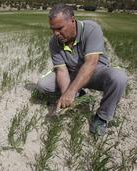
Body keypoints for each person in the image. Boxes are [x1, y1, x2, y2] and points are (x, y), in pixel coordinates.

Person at [37, 4, 127, 136]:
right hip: (71, 74)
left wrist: (70, 92)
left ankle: (102, 117)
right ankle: (80, 96)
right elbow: (62, 71)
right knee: (43, 84)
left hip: (95, 72)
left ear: (72, 20)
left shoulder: (91, 29)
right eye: (53, 29)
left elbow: (90, 63)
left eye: (59, 28)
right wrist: (66, 94)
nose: (56, 33)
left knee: (119, 78)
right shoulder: (54, 43)